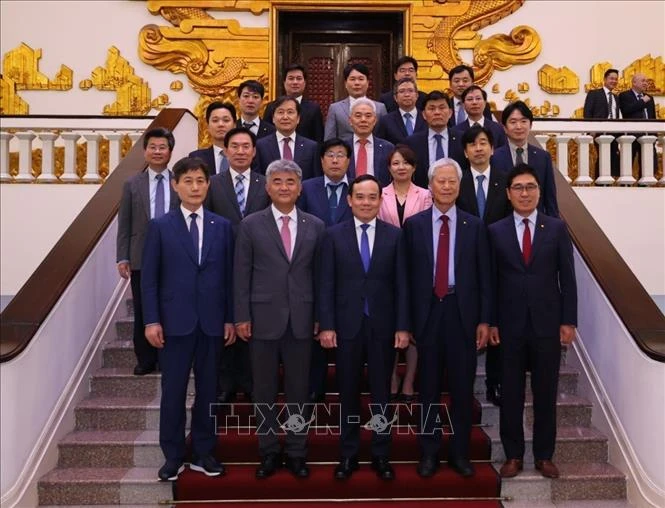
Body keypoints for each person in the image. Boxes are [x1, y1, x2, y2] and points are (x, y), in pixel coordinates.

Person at [141, 156, 235, 481]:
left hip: (212, 323)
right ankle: (173, 455)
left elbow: (229, 278)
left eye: (200, 181)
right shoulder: (159, 226)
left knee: (209, 391)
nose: (195, 187)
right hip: (173, 324)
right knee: (174, 392)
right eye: (188, 181)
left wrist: (230, 319)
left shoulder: (222, 227)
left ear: (208, 185)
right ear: (175, 185)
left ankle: (204, 452)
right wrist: (151, 320)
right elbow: (149, 279)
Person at [234, 159, 325, 480]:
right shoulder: (250, 225)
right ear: (267, 187)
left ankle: (298, 451)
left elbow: (320, 276)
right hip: (261, 319)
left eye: (290, 182)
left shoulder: (316, 225)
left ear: (300, 188)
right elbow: (241, 274)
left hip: (303, 319)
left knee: (299, 390)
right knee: (264, 390)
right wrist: (241, 315)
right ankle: (269, 450)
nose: (284, 187)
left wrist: (320, 317)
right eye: (278, 181)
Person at [318, 174, 410, 481]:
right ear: (349, 200)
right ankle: (348, 454)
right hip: (346, 327)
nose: (366, 202)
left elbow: (402, 286)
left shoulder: (395, 236)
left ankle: (382, 454)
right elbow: (326, 283)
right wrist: (327, 325)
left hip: (384, 327)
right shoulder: (332, 235)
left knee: (382, 394)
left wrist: (402, 326)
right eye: (360, 196)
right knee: (348, 393)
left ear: (380, 200)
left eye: (372, 197)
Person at [403, 158, 491, 479]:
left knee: (461, 389)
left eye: (452, 181)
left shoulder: (474, 225)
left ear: (459, 185)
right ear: (430, 185)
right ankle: (428, 452)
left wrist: (484, 319)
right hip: (427, 314)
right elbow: (405, 277)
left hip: (461, 313)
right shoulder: (413, 225)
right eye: (440, 181)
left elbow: (485, 278)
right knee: (427, 389)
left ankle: (460, 452)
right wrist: (407, 320)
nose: (446, 186)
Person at [489, 164, 577, 480]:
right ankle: (513, 455)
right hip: (509, 325)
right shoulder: (495, 231)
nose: (525, 193)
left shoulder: (556, 228)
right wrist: (491, 321)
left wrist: (569, 320)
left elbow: (567, 277)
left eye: (530, 187)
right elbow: (490, 281)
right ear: (509, 194)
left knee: (545, 391)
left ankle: (544, 455)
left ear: (539, 192)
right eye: (519, 188)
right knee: (510, 392)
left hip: (547, 324)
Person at [205, 126, 271, 403]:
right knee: (225, 322)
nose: (241, 151)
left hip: (259, 266)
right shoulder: (212, 182)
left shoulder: (265, 183)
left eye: (246, 146)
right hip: (221, 263)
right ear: (226, 151)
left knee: (251, 324)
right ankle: (226, 382)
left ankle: (250, 381)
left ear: (254, 152)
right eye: (235, 146)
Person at [455, 125, 512, 407]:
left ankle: (495, 381)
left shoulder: (507, 182)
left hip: (500, 262)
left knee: (496, 323)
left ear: (492, 148)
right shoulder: (456, 182)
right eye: (473, 144)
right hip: (465, 262)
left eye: (483, 143)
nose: (478, 148)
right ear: (465, 152)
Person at [116, 127, 178, 376]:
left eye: (162, 147)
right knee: (143, 307)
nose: (157, 151)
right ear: (145, 151)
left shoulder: (179, 181)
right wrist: (123, 256)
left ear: (170, 151)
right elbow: (125, 223)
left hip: (174, 256)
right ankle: (145, 358)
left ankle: (166, 356)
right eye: (152, 147)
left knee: (170, 308)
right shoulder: (132, 184)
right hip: (141, 255)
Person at [297, 138, 354, 403]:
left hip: (349, 273)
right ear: (321, 161)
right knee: (316, 330)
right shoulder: (306, 189)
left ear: (348, 161)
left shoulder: (358, 190)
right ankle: (314, 387)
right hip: (310, 269)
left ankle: (348, 389)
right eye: (329, 154)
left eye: (340, 155)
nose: (334, 160)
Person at [377, 145, 432, 402]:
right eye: (396, 163)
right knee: (390, 324)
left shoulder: (426, 195)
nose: (401, 167)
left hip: (416, 265)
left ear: (414, 167)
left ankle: (409, 379)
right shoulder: (380, 194)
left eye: (406, 163)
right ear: (389, 168)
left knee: (412, 326)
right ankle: (390, 376)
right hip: (384, 266)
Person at [491, 101, 559, 217]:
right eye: (513, 122)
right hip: (505, 223)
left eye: (523, 121)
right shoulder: (494, 157)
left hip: (536, 223)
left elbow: (550, 198)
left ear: (530, 125)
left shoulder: (543, 157)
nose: (519, 126)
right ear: (505, 128)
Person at [403, 91, 465, 188]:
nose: (437, 112)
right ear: (423, 114)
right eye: (432, 108)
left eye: (442, 108)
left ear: (450, 113)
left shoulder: (462, 139)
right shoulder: (412, 142)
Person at [255, 96, 321, 179]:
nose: (285, 117)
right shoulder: (261, 145)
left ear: (298, 118)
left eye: (290, 112)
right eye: (280, 112)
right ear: (273, 118)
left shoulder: (311, 147)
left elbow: (315, 179)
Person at [324, 62, 387, 140]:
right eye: (352, 79)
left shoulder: (380, 108)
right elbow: (329, 139)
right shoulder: (335, 108)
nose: (357, 83)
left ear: (367, 83)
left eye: (361, 79)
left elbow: (384, 137)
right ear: (346, 84)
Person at [264, 63, 324, 142]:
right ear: (284, 82)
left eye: (299, 79)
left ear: (304, 83)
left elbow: (318, 139)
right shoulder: (271, 106)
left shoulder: (313, 109)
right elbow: (266, 135)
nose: (295, 82)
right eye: (291, 78)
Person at [343, 98, 394, 186]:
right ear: (350, 121)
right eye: (358, 116)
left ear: (375, 120)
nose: (363, 120)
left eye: (368, 116)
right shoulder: (342, 148)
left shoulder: (388, 148)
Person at [583, 69, 621, 177]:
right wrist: (591, 129)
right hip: (599, 132)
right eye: (611, 78)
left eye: (616, 79)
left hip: (614, 132)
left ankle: (611, 181)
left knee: (614, 157)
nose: (614, 81)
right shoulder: (594, 94)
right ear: (605, 79)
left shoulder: (616, 97)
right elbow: (587, 112)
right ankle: (599, 180)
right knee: (602, 156)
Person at [618, 73, 657, 174]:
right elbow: (626, 110)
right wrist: (642, 102)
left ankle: (644, 186)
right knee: (627, 163)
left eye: (646, 81)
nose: (645, 83)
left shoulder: (649, 98)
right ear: (634, 82)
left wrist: (654, 135)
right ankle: (625, 187)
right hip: (632, 136)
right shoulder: (624, 95)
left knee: (647, 165)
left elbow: (652, 117)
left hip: (648, 135)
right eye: (643, 81)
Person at [375, 77, 428, 145]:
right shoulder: (385, 121)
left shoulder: (427, 118)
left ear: (417, 95)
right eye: (402, 91)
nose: (407, 95)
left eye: (410, 91)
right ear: (395, 98)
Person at [189, 101, 237, 174]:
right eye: (215, 120)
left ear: (234, 125)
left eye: (226, 120)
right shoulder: (196, 158)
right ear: (208, 126)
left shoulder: (244, 155)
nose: (220, 124)